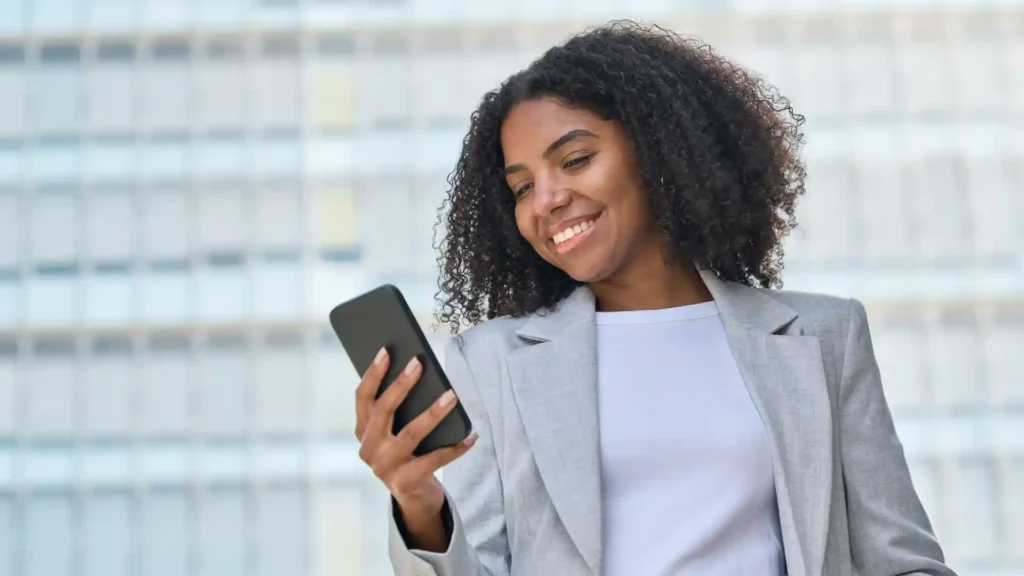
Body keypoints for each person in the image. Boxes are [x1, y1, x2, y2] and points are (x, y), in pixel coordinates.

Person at [353, 20, 955, 576]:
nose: (546, 201)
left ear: (658, 150)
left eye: (577, 159)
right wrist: (419, 502)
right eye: (522, 187)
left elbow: (902, 561)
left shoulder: (824, 336)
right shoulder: (490, 364)